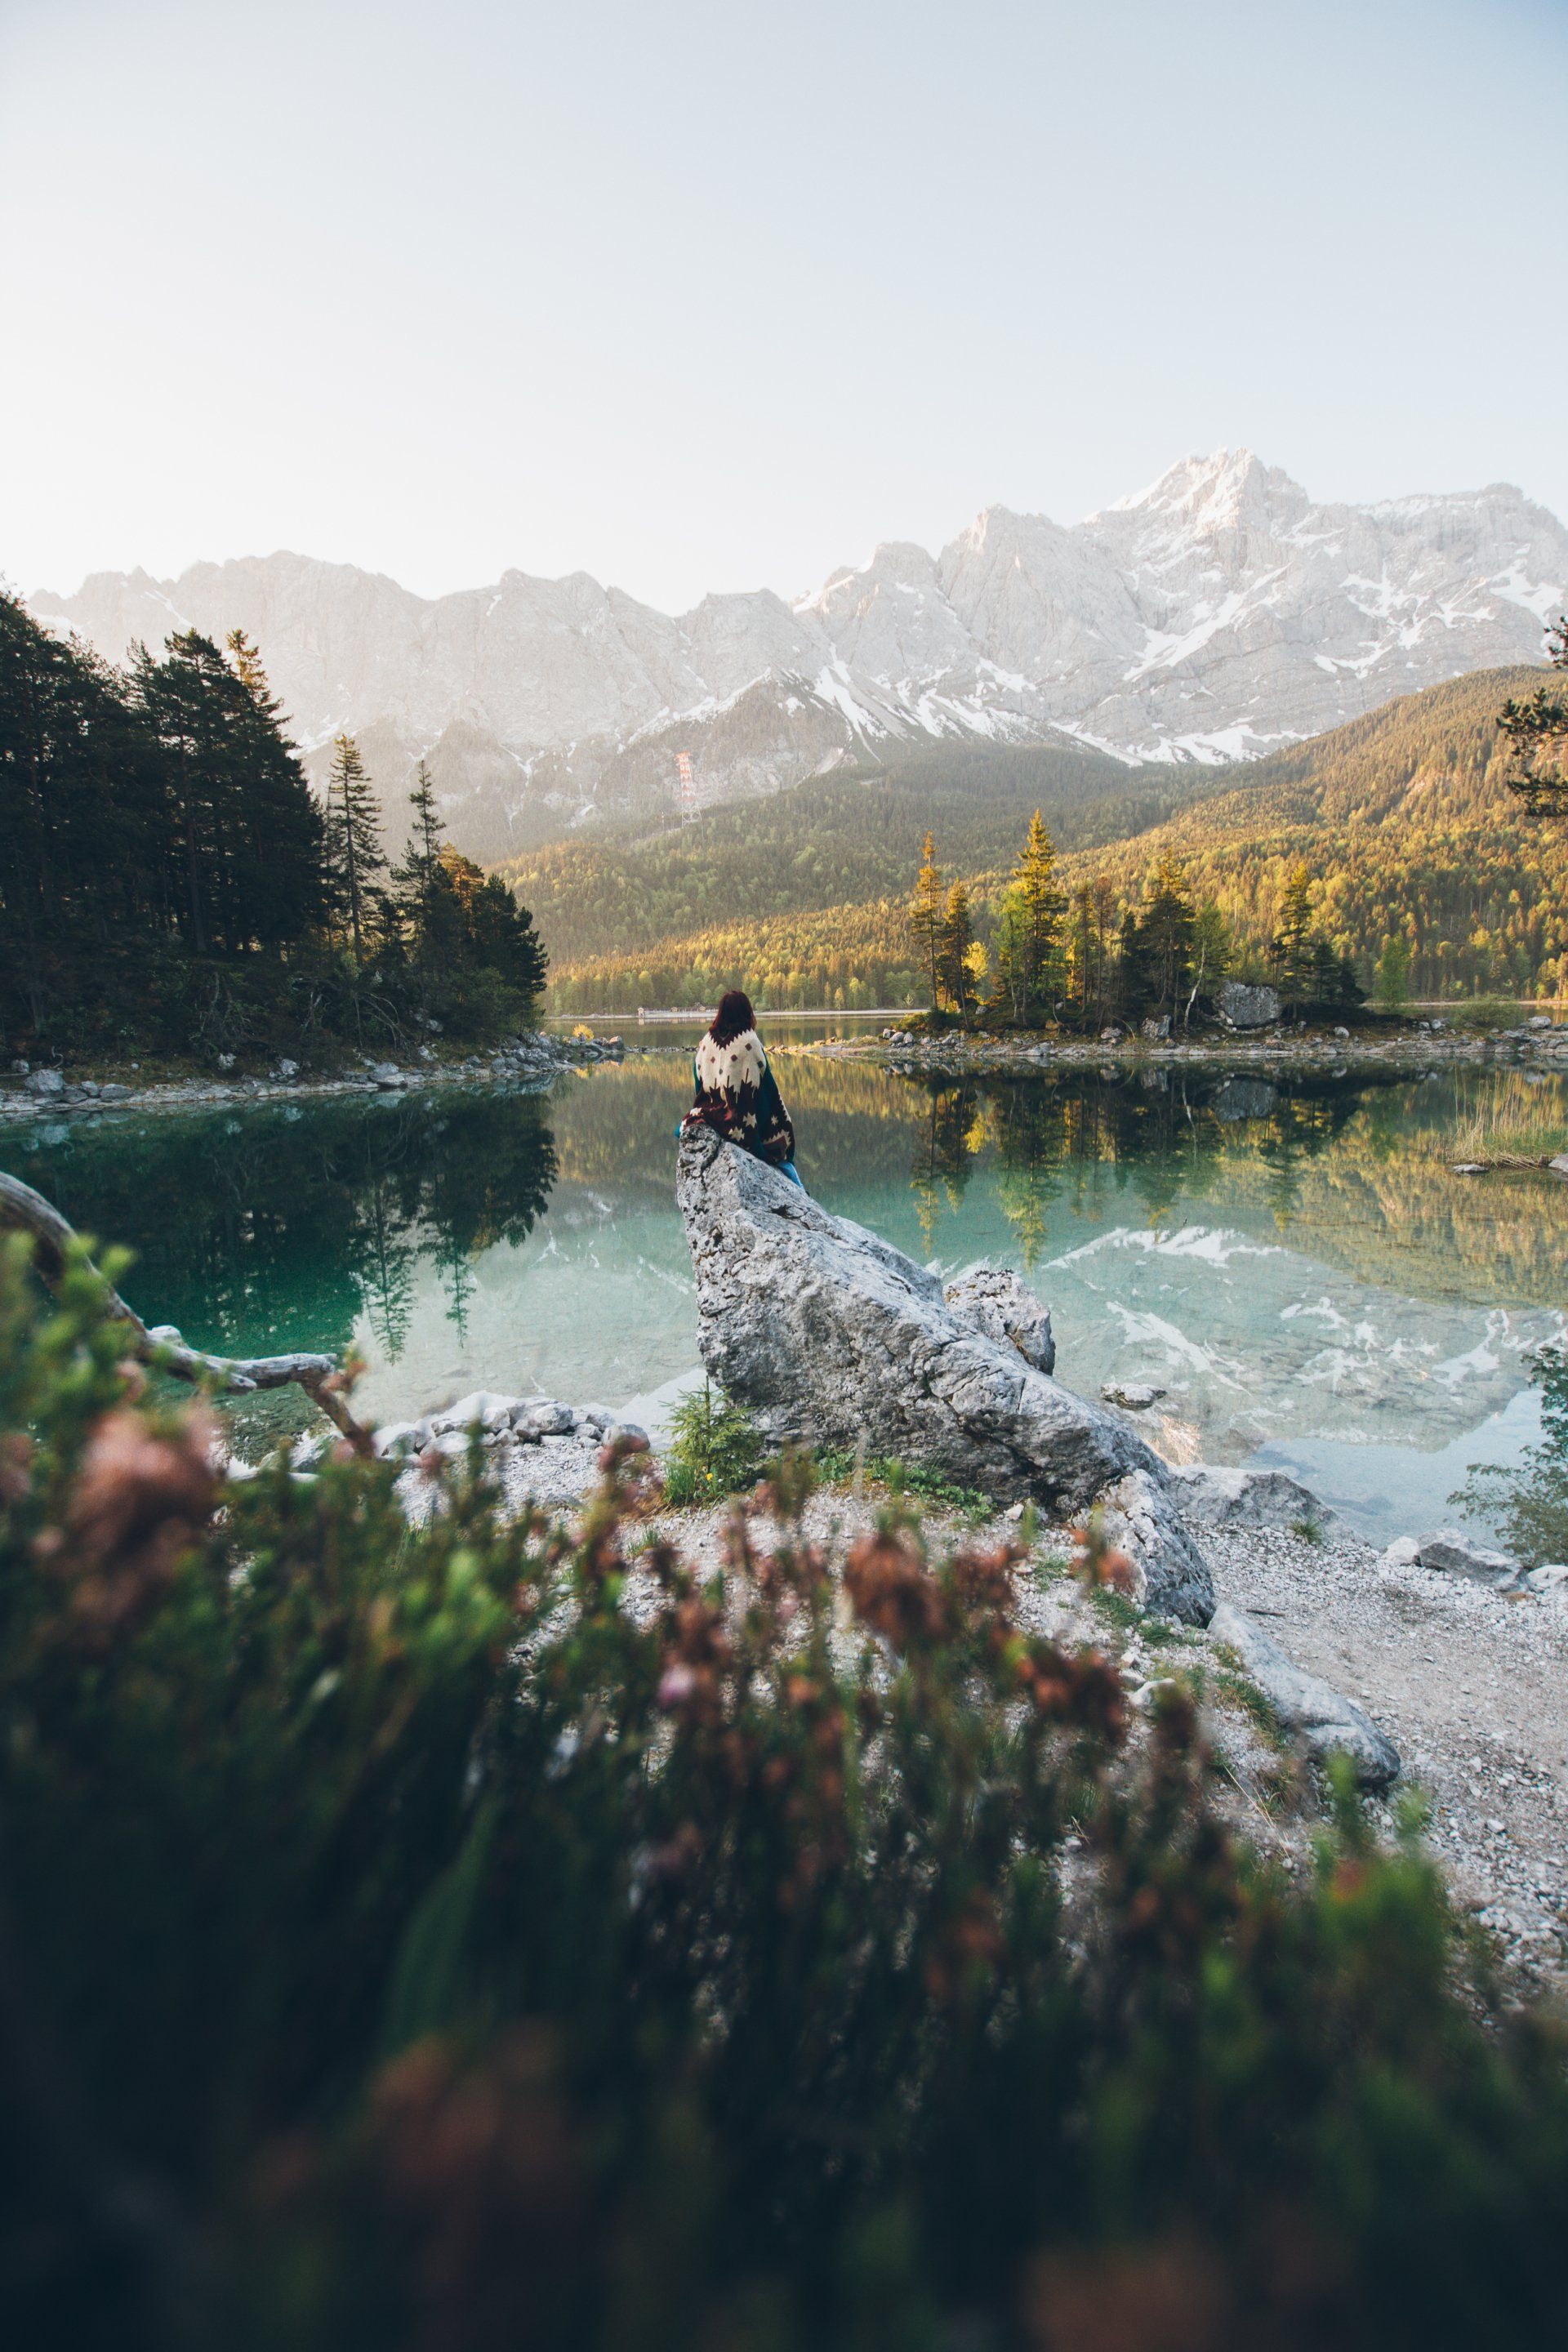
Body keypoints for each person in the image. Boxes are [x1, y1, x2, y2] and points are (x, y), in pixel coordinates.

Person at [681, 989, 804, 1187]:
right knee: (781, 1144)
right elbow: (766, 1089)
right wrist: (779, 1123)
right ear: (747, 1012)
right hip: (741, 1122)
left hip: (708, 1115)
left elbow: (699, 1081)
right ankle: (800, 1192)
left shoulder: (706, 1042)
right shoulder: (749, 1040)